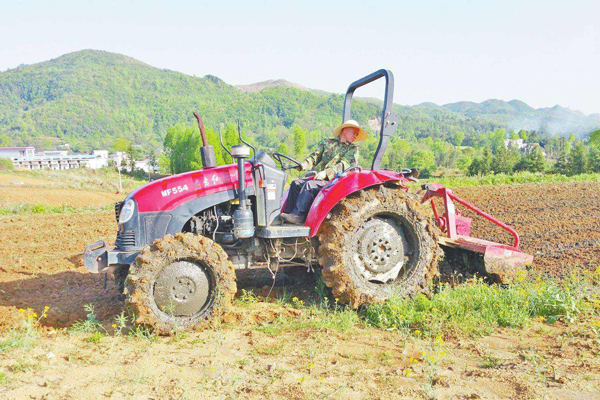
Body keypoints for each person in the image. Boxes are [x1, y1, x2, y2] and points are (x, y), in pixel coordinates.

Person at [280, 120, 368, 225]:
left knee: (309, 185)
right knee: (296, 183)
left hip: (333, 182)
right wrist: (304, 164)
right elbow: (315, 157)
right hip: (318, 178)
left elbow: (343, 165)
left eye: (357, 134)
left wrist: (326, 173)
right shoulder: (327, 142)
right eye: (354, 133)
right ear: (345, 130)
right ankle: (287, 215)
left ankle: (299, 216)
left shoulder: (352, 149)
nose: (355, 136)